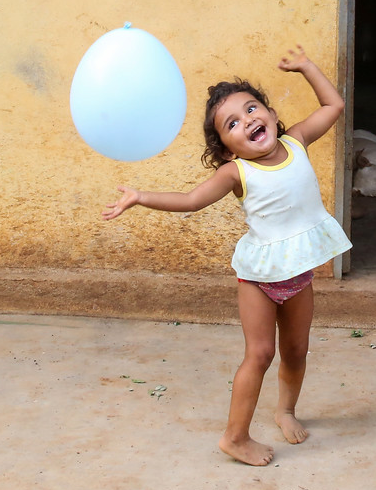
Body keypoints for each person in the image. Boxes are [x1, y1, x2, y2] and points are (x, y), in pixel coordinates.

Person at [103, 45, 352, 465]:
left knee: (296, 351)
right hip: (258, 278)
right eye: (233, 123)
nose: (249, 120)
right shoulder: (237, 172)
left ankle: (286, 409)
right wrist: (141, 197)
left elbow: (334, 104)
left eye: (252, 109)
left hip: (299, 276)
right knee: (260, 354)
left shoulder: (298, 141)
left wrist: (307, 66)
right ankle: (235, 437)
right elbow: (190, 200)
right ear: (226, 149)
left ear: (272, 115)